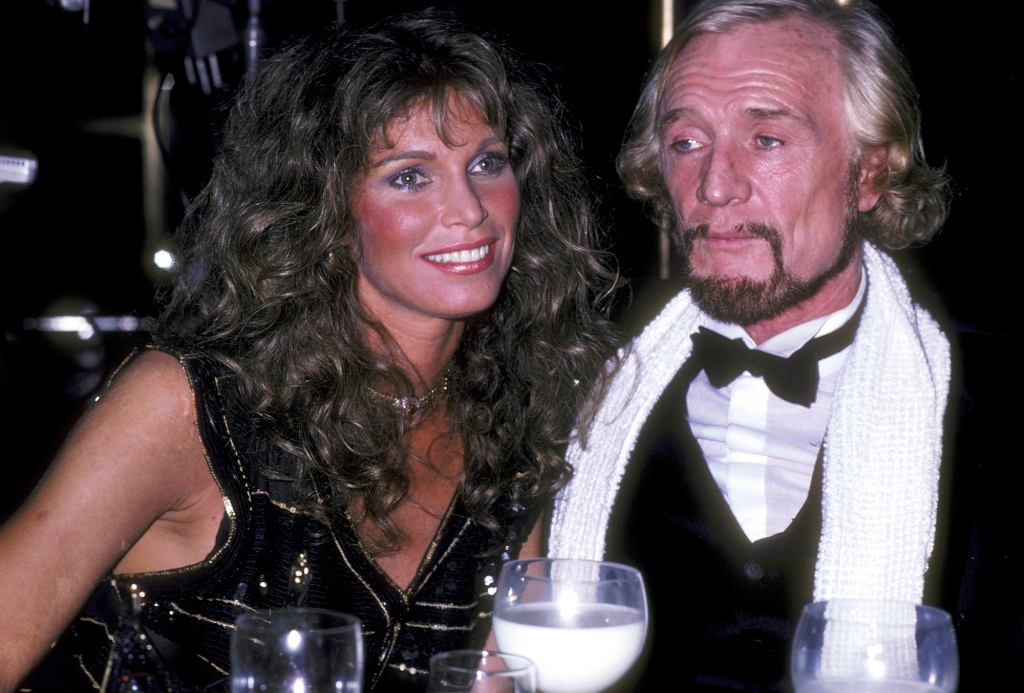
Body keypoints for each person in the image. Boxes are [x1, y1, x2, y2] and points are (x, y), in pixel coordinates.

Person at [0, 13, 621, 693]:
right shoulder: (187, 407)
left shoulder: (518, 423)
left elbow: (502, 679)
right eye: (410, 176)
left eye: (486, 163)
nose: (470, 209)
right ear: (322, 208)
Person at [548, 0, 954, 690]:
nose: (713, 186)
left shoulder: (998, 414)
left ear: (868, 175)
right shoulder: (575, 386)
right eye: (686, 142)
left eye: (766, 139)